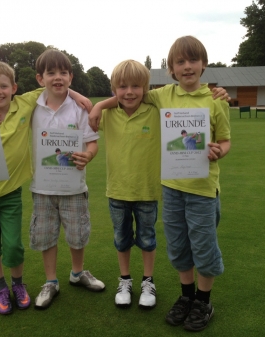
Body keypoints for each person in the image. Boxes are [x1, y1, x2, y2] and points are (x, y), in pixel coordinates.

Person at [89, 36, 230, 332]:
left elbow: (225, 140)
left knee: (203, 248)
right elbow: (128, 95)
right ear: (172, 69)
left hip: (203, 189)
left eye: (193, 61)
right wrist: (100, 104)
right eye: (180, 62)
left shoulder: (215, 100)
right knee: (178, 248)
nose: (187, 66)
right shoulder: (163, 95)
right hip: (172, 188)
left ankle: (203, 301)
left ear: (204, 64)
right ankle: (186, 297)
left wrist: (219, 150)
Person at [0, 61, 91, 315]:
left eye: (4, 86)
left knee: (13, 246)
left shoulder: (24, 104)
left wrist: (78, 95)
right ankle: (1, 287)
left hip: (11, 193)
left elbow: (55, 86)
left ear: (14, 87)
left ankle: (18, 285)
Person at [29, 49, 105, 310]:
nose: (57, 77)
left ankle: (77, 273)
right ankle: (51, 281)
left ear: (71, 77)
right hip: (42, 187)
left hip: (73, 186)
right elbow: (3, 105)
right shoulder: (31, 107)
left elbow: (92, 143)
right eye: (51, 73)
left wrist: (88, 156)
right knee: (45, 234)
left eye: (63, 72)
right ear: (41, 78)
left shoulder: (81, 109)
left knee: (77, 232)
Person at [98, 60, 160, 309]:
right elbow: (77, 106)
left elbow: (185, 100)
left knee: (147, 238)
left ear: (146, 87)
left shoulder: (155, 110)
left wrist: (216, 92)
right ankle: (125, 280)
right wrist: (100, 105)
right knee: (121, 238)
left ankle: (148, 281)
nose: (130, 92)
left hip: (147, 190)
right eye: (122, 86)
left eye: (136, 85)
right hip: (117, 190)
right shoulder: (106, 113)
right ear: (114, 88)